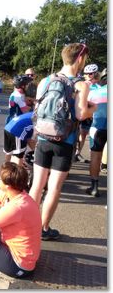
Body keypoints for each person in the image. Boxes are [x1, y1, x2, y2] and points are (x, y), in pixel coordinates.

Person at [29, 43, 97, 240]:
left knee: (37, 185)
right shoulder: (81, 84)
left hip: (43, 137)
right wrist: (92, 108)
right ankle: (43, 228)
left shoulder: (46, 80)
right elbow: (81, 114)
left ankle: (28, 224)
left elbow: (38, 106)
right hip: (64, 141)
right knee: (54, 188)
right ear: (80, 59)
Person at [85, 68, 107, 197]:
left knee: (95, 157)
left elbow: (86, 111)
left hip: (97, 127)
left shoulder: (96, 92)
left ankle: (94, 187)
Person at [74, 63, 101, 163]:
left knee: (93, 136)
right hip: (82, 113)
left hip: (93, 114)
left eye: (90, 74)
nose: (87, 76)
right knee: (81, 134)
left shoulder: (98, 87)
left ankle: (93, 156)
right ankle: (77, 153)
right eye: (86, 74)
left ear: (95, 74)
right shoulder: (80, 84)